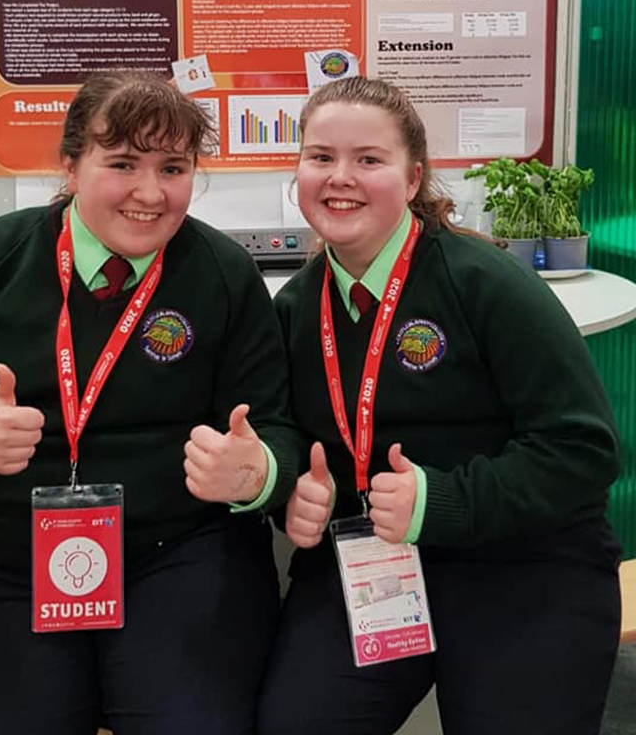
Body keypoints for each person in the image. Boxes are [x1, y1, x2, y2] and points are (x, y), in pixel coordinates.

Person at [0, 70, 303, 735]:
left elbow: (278, 429)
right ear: (69, 166)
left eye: (173, 167)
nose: (150, 193)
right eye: (122, 163)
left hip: (180, 557)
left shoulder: (222, 273)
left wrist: (257, 471)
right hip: (8, 562)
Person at [258, 76, 621, 735]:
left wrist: (440, 500)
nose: (341, 177)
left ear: (415, 176)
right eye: (321, 157)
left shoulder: (487, 282)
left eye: (369, 159)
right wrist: (292, 491)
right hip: (372, 568)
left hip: (524, 563)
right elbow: (287, 434)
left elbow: (584, 451)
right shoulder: (292, 307)